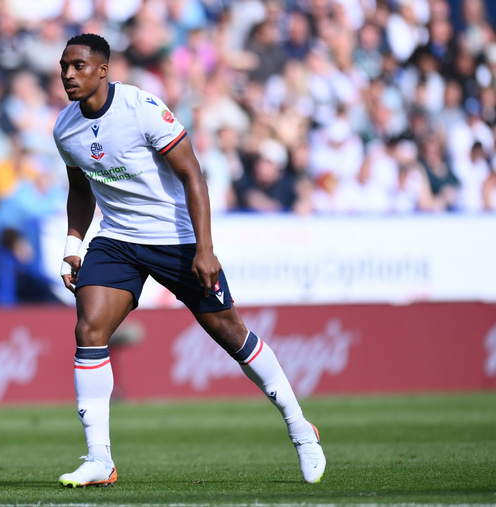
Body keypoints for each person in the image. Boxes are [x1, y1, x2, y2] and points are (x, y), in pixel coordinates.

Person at [53, 33, 326, 488]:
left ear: (103, 70)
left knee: (231, 334)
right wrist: (72, 246)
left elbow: (192, 174)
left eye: (78, 65)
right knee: (88, 329)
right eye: (64, 66)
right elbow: (80, 191)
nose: (67, 74)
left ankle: (301, 429)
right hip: (117, 239)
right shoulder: (65, 127)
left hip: (175, 239)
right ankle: (100, 459)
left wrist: (205, 248)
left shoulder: (142, 109)